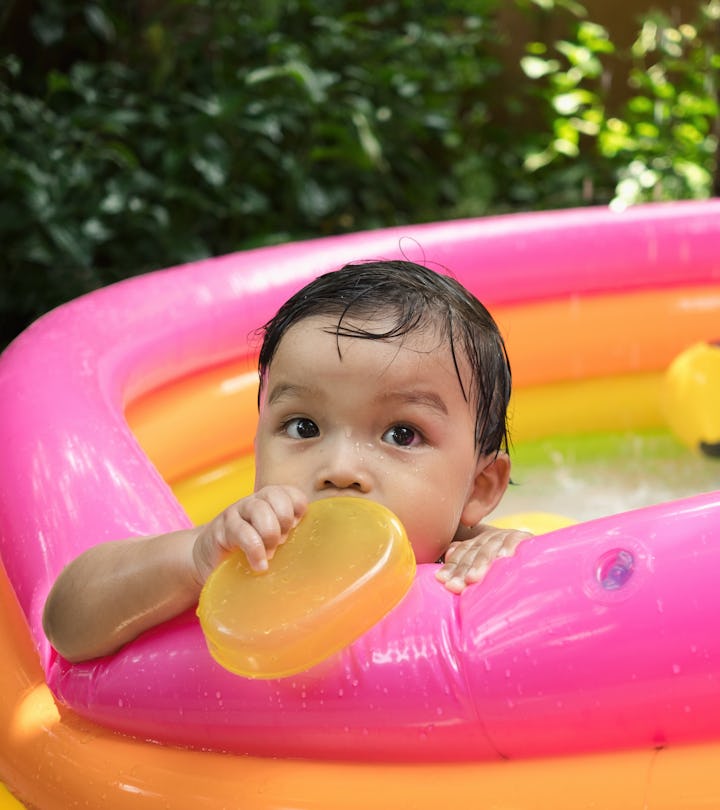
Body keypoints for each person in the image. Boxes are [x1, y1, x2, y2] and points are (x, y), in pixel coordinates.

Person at [43, 260, 529, 663]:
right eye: (303, 427)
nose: (339, 467)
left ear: (480, 487)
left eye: (402, 434)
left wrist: (519, 564)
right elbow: (65, 626)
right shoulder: (243, 554)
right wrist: (192, 559)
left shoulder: (473, 565)